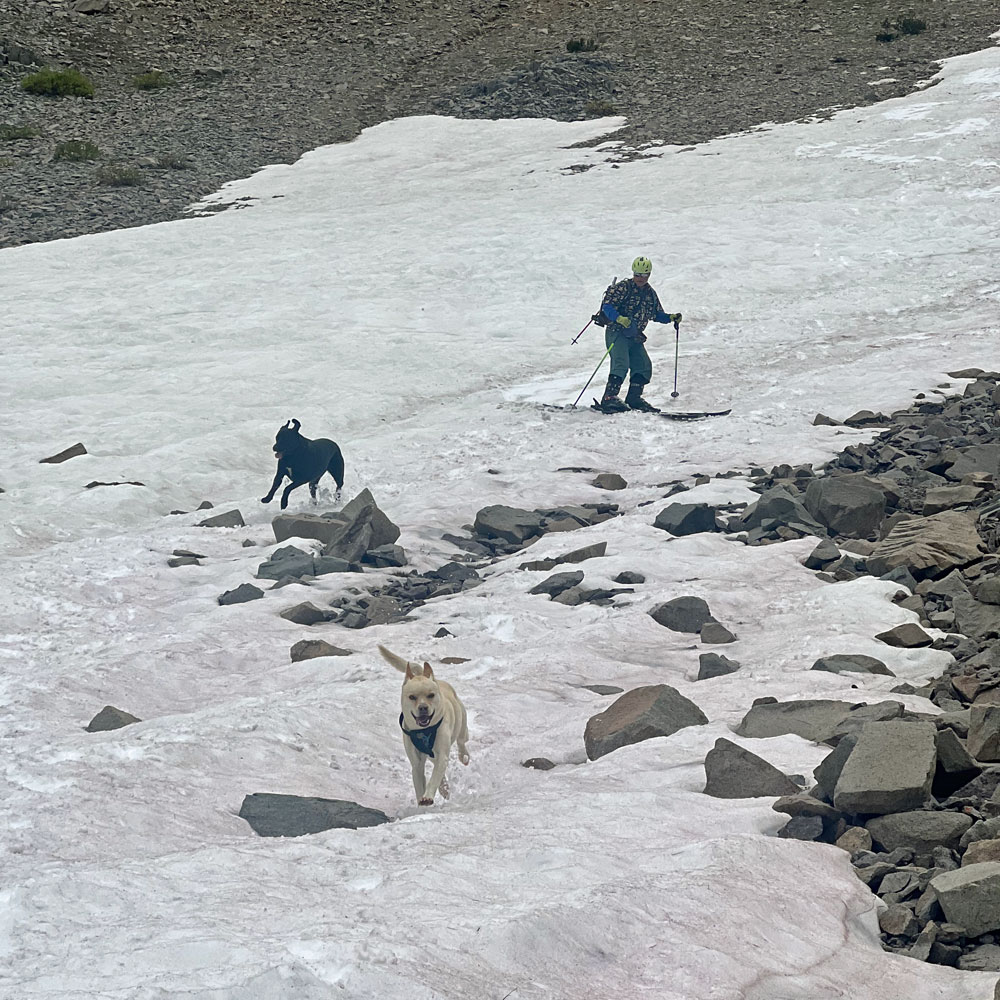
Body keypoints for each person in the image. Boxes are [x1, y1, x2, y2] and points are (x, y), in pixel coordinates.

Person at [596, 256, 681, 413]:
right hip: (617, 333)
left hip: (634, 336)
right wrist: (619, 318)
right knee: (621, 363)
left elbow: (657, 315)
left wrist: (670, 318)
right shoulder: (623, 288)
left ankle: (634, 398)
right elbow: (607, 306)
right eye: (637, 274)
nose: (640, 278)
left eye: (643, 275)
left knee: (643, 365)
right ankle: (609, 398)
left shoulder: (650, 294)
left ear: (649, 275)